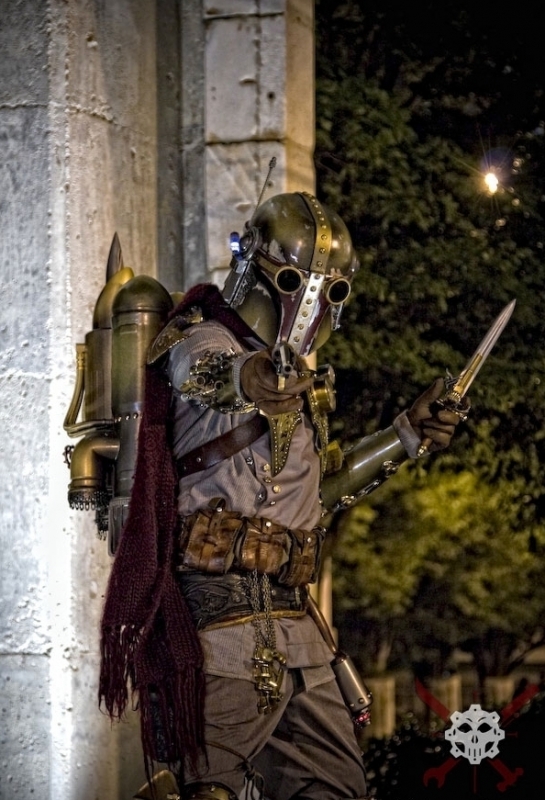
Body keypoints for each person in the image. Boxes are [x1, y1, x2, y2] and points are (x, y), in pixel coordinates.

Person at [99, 192, 466, 800]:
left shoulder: (304, 387)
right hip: (217, 629)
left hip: (300, 632)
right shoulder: (201, 337)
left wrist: (408, 433)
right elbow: (206, 375)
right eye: (296, 281)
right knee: (207, 790)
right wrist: (251, 378)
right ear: (258, 268)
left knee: (339, 789)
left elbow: (318, 496)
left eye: (331, 290)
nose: (312, 303)